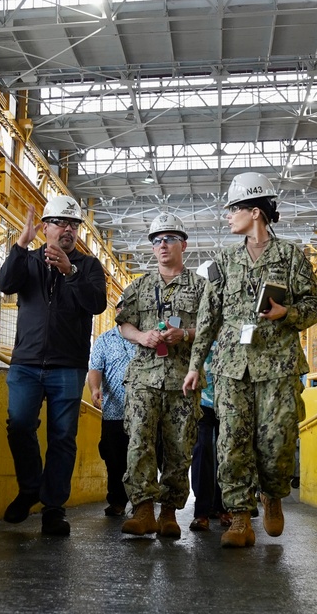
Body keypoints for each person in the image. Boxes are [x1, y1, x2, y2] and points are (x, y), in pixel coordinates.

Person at [183, 172, 317, 549]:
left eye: (234, 209)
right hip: (231, 367)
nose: (228, 216)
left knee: (277, 441)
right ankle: (241, 517)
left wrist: (287, 314)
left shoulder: (291, 256)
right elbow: (208, 318)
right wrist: (196, 365)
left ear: (256, 212)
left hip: (278, 365)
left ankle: (273, 494)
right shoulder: (224, 261)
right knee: (231, 442)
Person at [0, 195, 108, 536]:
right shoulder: (27, 261)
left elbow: (97, 304)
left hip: (68, 367)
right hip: (27, 363)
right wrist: (20, 244)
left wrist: (69, 271)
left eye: (74, 225)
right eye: (61, 223)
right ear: (45, 227)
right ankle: (30, 487)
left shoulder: (88, 267)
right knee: (19, 425)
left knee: (62, 438)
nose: (68, 230)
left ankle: (53, 509)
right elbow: (4, 285)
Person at [117, 212, 205, 538]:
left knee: (179, 447)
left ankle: (168, 513)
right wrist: (142, 336)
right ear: (153, 249)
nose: (163, 245)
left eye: (169, 239)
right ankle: (142, 511)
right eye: (157, 241)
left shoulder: (201, 288)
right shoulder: (138, 287)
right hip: (143, 376)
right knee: (139, 442)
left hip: (183, 378)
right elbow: (124, 323)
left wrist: (187, 334)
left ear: (184, 244)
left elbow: (215, 327)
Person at [87, 298, 136, 517]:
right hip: (114, 410)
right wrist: (95, 388)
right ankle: (117, 501)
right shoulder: (104, 340)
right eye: (120, 308)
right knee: (114, 458)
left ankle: (142, 502)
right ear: (116, 312)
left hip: (143, 412)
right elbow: (95, 367)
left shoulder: (145, 337)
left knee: (142, 456)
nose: (124, 311)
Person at [188, 342, 229, 531]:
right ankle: (202, 512)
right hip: (202, 398)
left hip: (229, 398)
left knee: (227, 453)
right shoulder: (200, 326)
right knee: (202, 450)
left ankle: (224, 508)